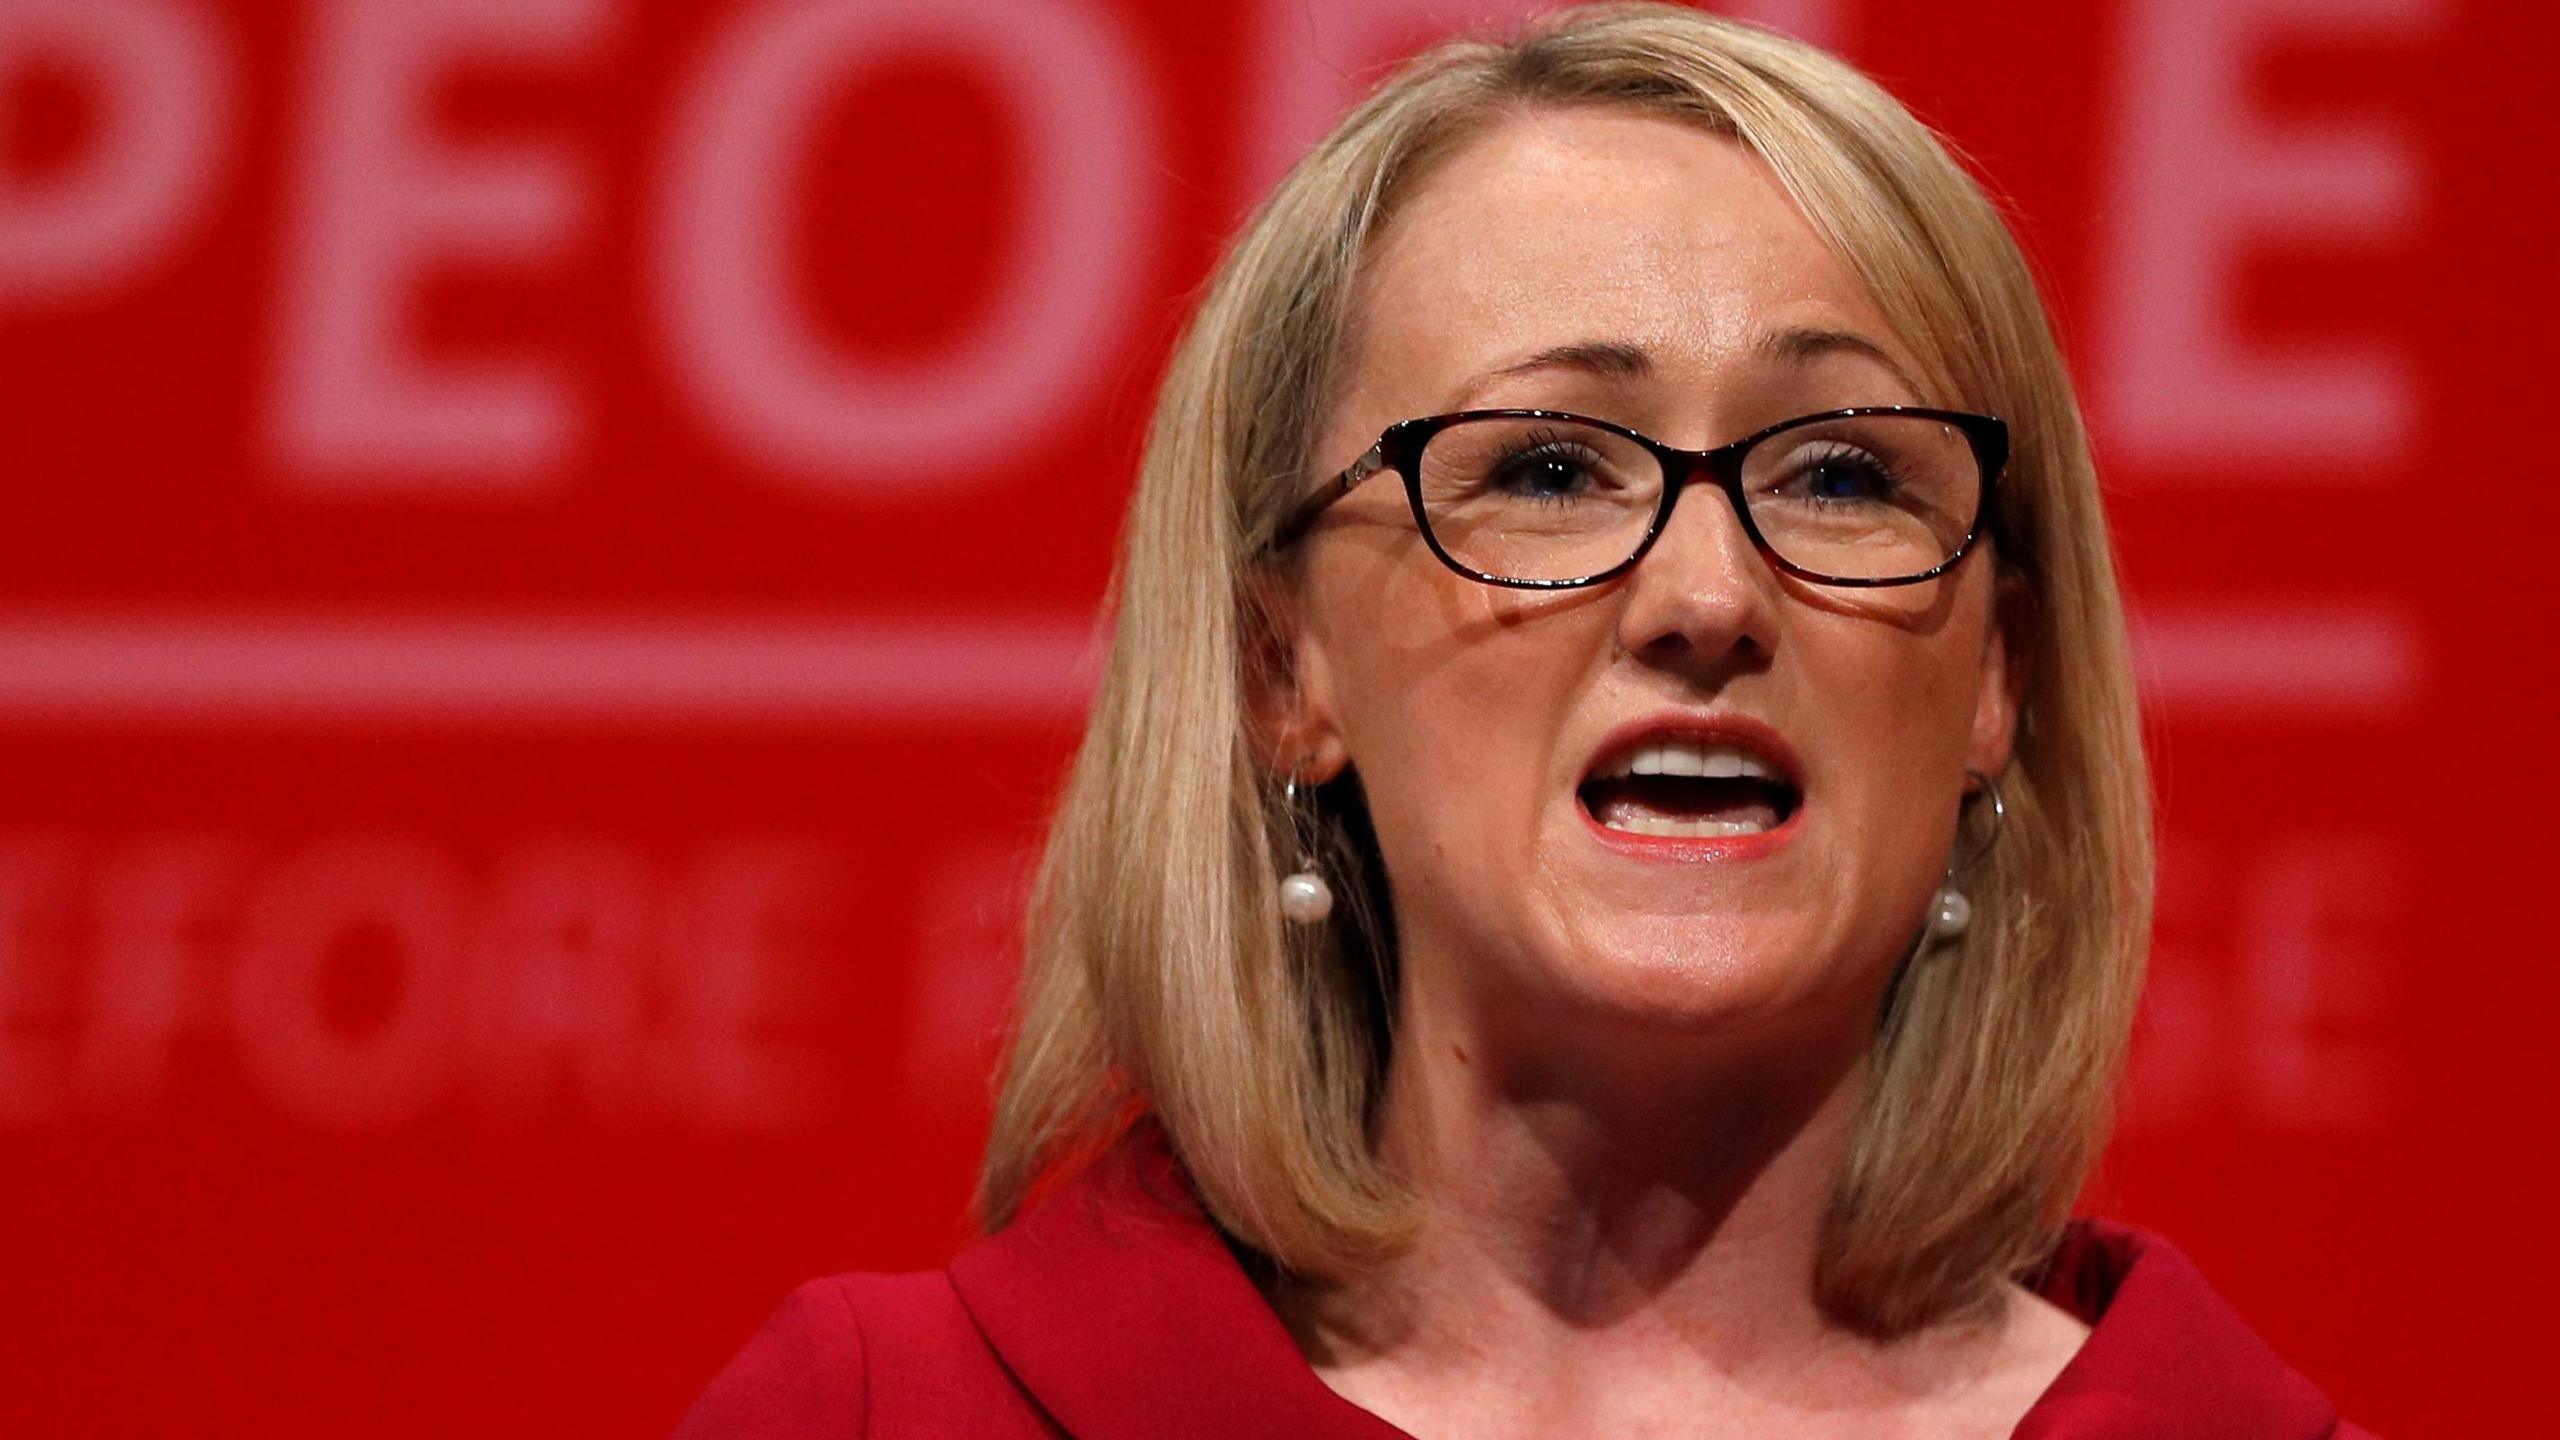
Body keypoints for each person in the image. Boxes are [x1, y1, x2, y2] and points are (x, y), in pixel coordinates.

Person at [676, 5, 2374, 1436]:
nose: (1709, 594)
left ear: (2000, 676)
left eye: (1843, 473)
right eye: (1548, 470)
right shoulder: (892, 1412)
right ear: (1285, 672)